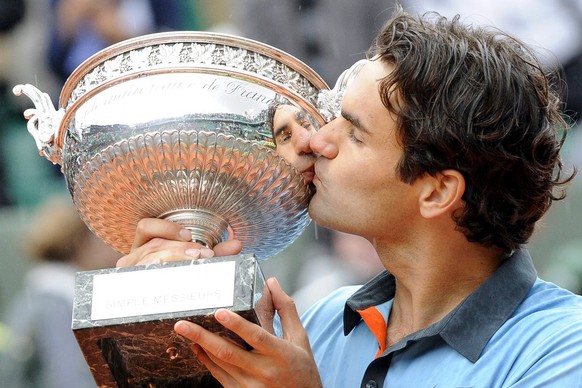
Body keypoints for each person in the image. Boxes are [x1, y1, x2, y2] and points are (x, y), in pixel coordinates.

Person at [117, 6, 582, 387]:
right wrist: (158, 323)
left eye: (354, 132)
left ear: (438, 191)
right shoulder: (318, 324)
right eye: (333, 116)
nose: (318, 141)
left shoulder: (560, 351)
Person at [0, 195, 121, 387]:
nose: (114, 249)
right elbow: (70, 380)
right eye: (103, 237)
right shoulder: (60, 305)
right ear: (81, 242)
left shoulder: (39, 295)